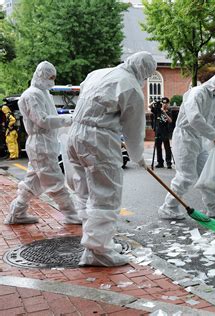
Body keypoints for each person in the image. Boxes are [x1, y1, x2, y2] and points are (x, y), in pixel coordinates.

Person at [67, 51, 156, 266]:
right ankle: (98, 251)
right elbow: (134, 130)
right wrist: (138, 157)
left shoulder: (98, 73)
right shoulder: (131, 87)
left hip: (74, 135)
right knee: (106, 196)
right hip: (98, 140)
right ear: (144, 71)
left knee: (86, 193)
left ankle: (97, 243)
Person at [4, 61, 81, 225]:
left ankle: (16, 213)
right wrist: (68, 119)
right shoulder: (32, 95)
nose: (52, 80)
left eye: (54, 77)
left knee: (32, 182)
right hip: (41, 144)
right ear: (41, 75)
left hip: (46, 143)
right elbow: (42, 120)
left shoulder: (43, 93)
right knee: (55, 180)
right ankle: (71, 214)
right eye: (50, 77)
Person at [158, 71, 215, 220]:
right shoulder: (197, 93)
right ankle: (168, 207)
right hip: (184, 137)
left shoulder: (214, 101)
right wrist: (214, 135)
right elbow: (194, 118)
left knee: (207, 174)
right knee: (186, 176)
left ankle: (214, 207)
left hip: (199, 138)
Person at [150, 97, 172, 169]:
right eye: (163, 103)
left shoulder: (169, 111)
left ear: (168, 103)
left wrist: (164, 112)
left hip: (165, 131)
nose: (164, 104)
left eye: (166, 103)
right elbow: (150, 107)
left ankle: (168, 163)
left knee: (167, 147)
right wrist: (154, 103)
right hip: (158, 130)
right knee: (158, 147)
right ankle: (160, 162)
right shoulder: (158, 110)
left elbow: (170, 120)